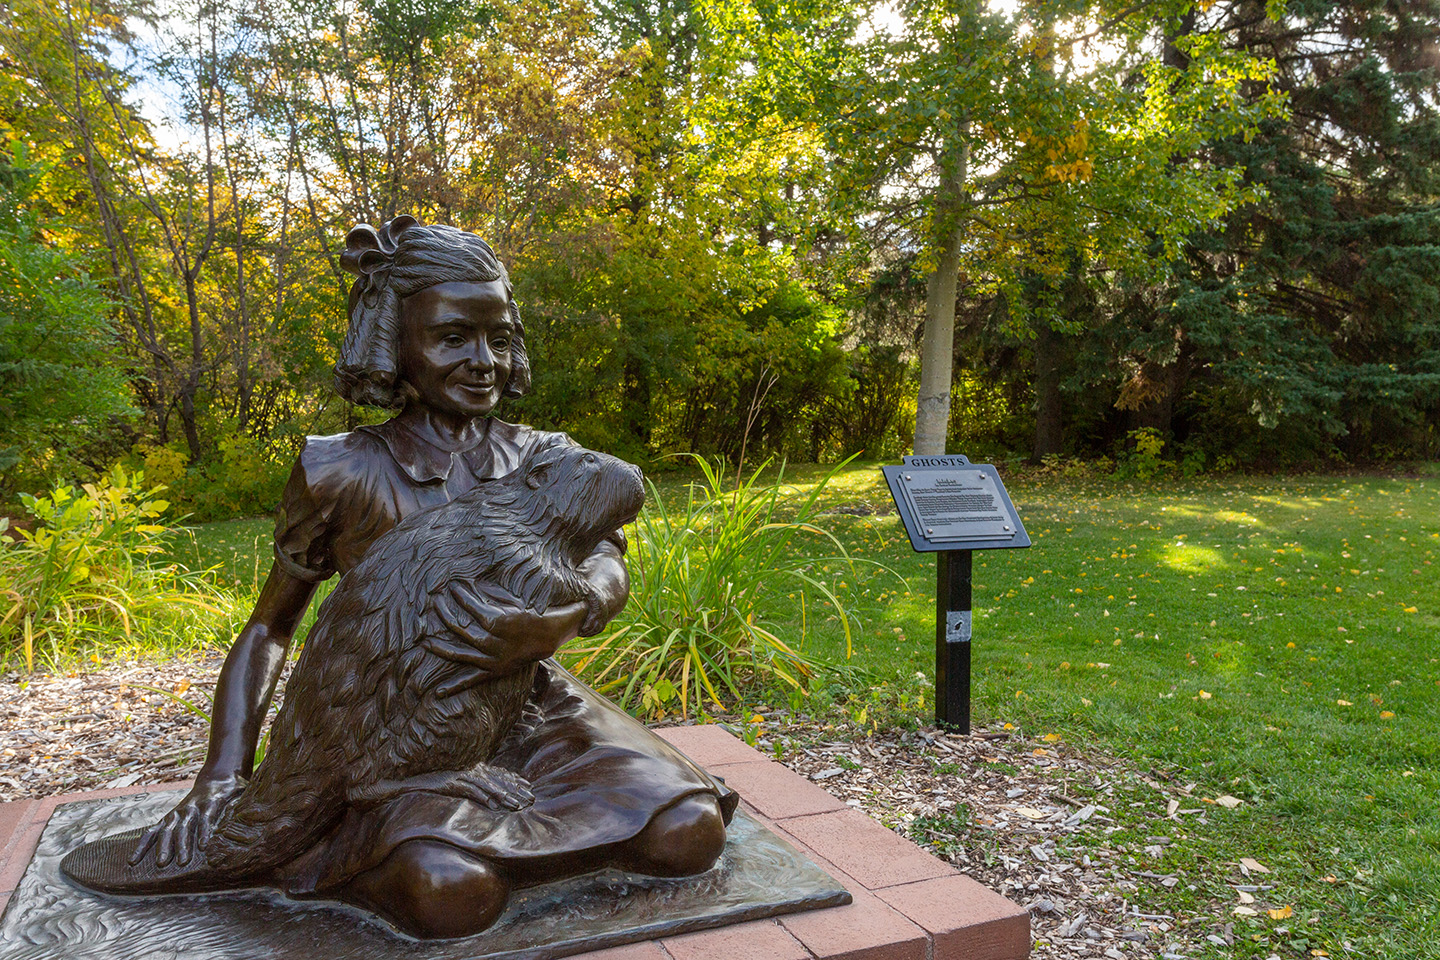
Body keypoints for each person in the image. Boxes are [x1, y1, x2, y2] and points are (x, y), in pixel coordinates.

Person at [125, 217, 734, 939]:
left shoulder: (542, 454)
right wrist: (223, 777)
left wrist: (565, 620)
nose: (484, 361)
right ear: (394, 342)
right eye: (453, 338)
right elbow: (269, 628)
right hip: (395, 730)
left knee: (689, 830)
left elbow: (605, 557)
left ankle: (516, 852)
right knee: (449, 893)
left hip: (533, 707)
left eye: (499, 338)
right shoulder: (340, 470)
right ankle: (407, 855)